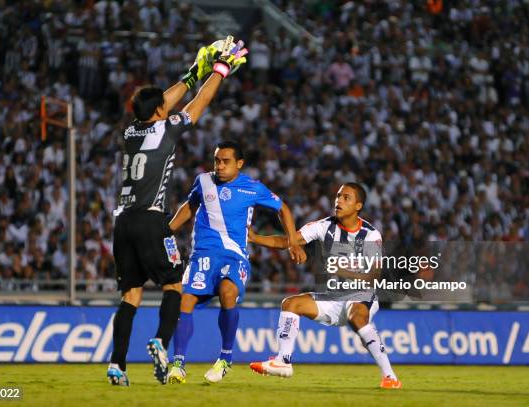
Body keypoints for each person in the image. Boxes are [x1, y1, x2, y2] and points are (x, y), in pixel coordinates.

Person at [107, 38, 249, 386]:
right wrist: (219, 70)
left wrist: (190, 75)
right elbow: (199, 104)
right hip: (152, 219)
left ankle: (117, 366)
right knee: (174, 286)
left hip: (122, 222)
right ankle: (160, 341)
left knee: (131, 295)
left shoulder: (130, 132)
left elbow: (157, 104)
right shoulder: (166, 129)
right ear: (160, 114)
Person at [167, 140, 306, 384]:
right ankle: (177, 363)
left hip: (235, 255)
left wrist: (293, 241)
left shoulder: (253, 188)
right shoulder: (203, 181)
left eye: (226, 161)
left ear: (239, 164)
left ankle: (225, 359)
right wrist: (166, 231)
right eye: (217, 161)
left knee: (227, 291)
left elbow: (282, 208)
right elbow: (189, 207)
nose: (220, 166)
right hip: (203, 254)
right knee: (185, 301)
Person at [248, 183, 402, 389]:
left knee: (357, 317)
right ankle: (283, 361)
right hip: (332, 297)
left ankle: (390, 377)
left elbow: (373, 277)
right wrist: (256, 238)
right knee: (291, 304)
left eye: (346, 197)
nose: (339, 201)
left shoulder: (371, 235)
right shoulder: (323, 226)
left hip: (361, 296)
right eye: (338, 196)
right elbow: (290, 240)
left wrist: (343, 270)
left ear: (358, 206)